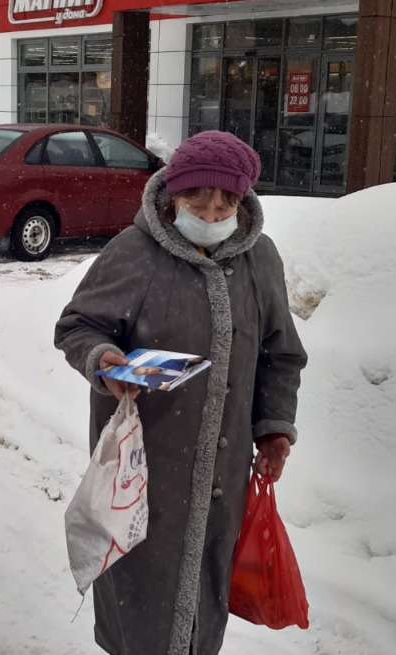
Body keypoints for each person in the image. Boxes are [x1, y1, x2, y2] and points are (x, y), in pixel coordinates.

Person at [54, 130, 307, 655]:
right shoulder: (135, 252)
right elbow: (79, 326)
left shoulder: (260, 259)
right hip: (144, 466)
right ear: (173, 195)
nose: (212, 215)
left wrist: (274, 429)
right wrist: (103, 359)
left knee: (204, 590)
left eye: (226, 204)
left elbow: (279, 354)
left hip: (223, 473)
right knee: (142, 593)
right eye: (198, 201)